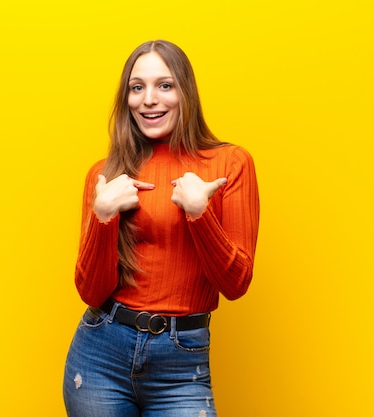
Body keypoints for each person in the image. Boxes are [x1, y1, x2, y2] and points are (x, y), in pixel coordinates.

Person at [63, 40, 260, 417]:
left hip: (181, 365)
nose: (149, 99)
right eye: (137, 88)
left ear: (186, 91)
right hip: (100, 356)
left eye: (164, 85)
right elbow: (91, 290)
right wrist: (103, 217)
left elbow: (236, 285)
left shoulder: (230, 164)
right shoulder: (104, 175)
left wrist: (200, 214)